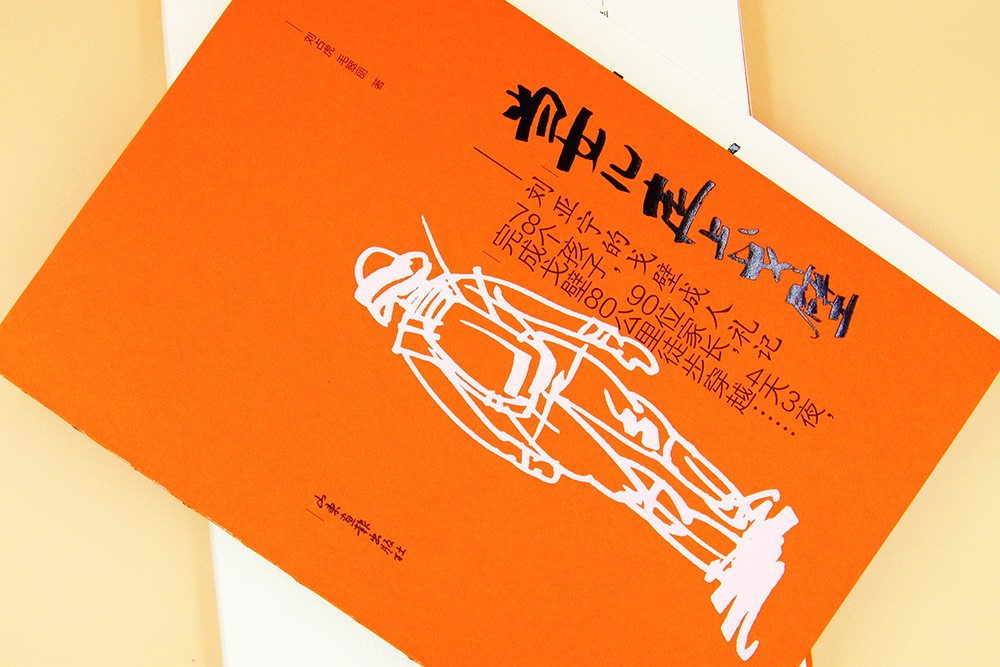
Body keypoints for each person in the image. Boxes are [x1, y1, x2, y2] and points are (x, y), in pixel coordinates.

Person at [354, 218, 797, 660]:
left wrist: (608, 342)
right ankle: (724, 553)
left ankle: (736, 517)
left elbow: (539, 317)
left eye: (400, 286)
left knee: (657, 445)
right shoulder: (422, 341)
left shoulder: (464, 291)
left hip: (569, 379)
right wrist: (521, 451)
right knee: (640, 480)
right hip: (547, 415)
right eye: (395, 293)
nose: (405, 296)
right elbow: (469, 407)